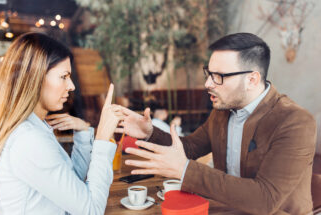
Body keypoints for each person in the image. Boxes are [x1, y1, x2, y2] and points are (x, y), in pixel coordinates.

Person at [117, 33, 317, 214]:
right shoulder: (223, 111)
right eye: (209, 73)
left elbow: (265, 199)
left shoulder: (295, 122)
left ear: (252, 80)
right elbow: (189, 147)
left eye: (219, 76)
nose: (208, 84)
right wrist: (150, 132)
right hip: (227, 207)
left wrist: (186, 170)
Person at [0, 32, 123, 215]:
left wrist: (84, 132)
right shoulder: (28, 140)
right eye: (64, 76)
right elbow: (91, 210)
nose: (71, 86)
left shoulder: (32, 128)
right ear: (35, 78)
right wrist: (102, 139)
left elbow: (72, 187)